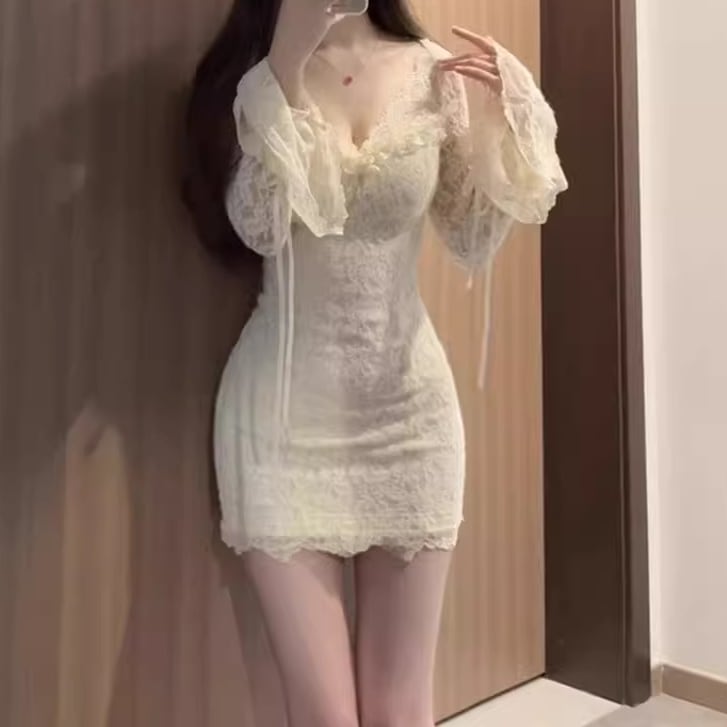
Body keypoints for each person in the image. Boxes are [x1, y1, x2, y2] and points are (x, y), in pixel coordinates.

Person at [182, 0, 567, 724]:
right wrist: (286, 65)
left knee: (399, 710)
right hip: (282, 425)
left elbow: (469, 235)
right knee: (325, 715)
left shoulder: (432, 72)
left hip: (411, 416)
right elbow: (258, 226)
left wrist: (510, 123)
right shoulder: (253, 79)